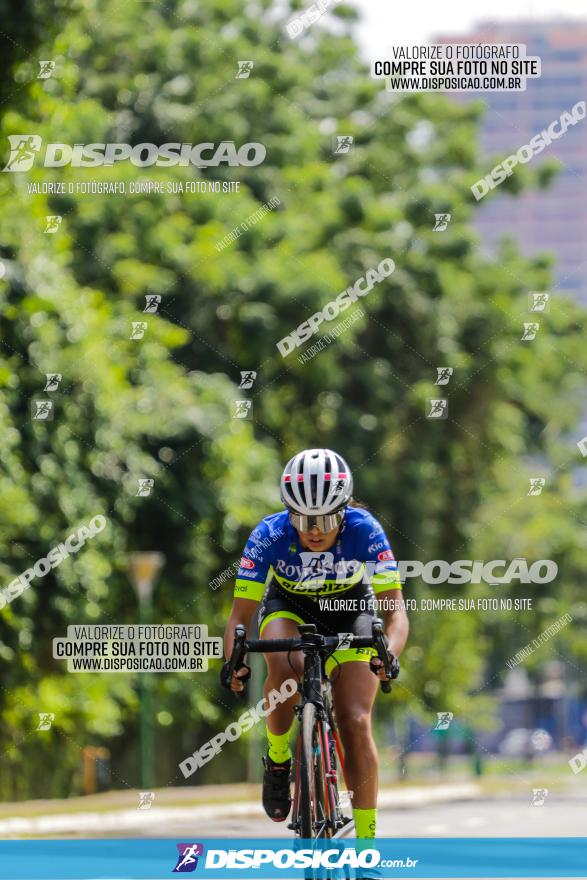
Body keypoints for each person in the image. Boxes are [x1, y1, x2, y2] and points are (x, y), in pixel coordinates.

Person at [222, 448, 409, 839]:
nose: (314, 530)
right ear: (288, 512)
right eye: (304, 519)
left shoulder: (366, 530)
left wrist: (388, 653)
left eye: (325, 518)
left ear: (344, 510)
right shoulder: (270, 534)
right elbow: (239, 619)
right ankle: (278, 759)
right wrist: (234, 661)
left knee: (355, 721)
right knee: (283, 665)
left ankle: (366, 843)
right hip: (289, 605)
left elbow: (396, 615)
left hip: (349, 606)